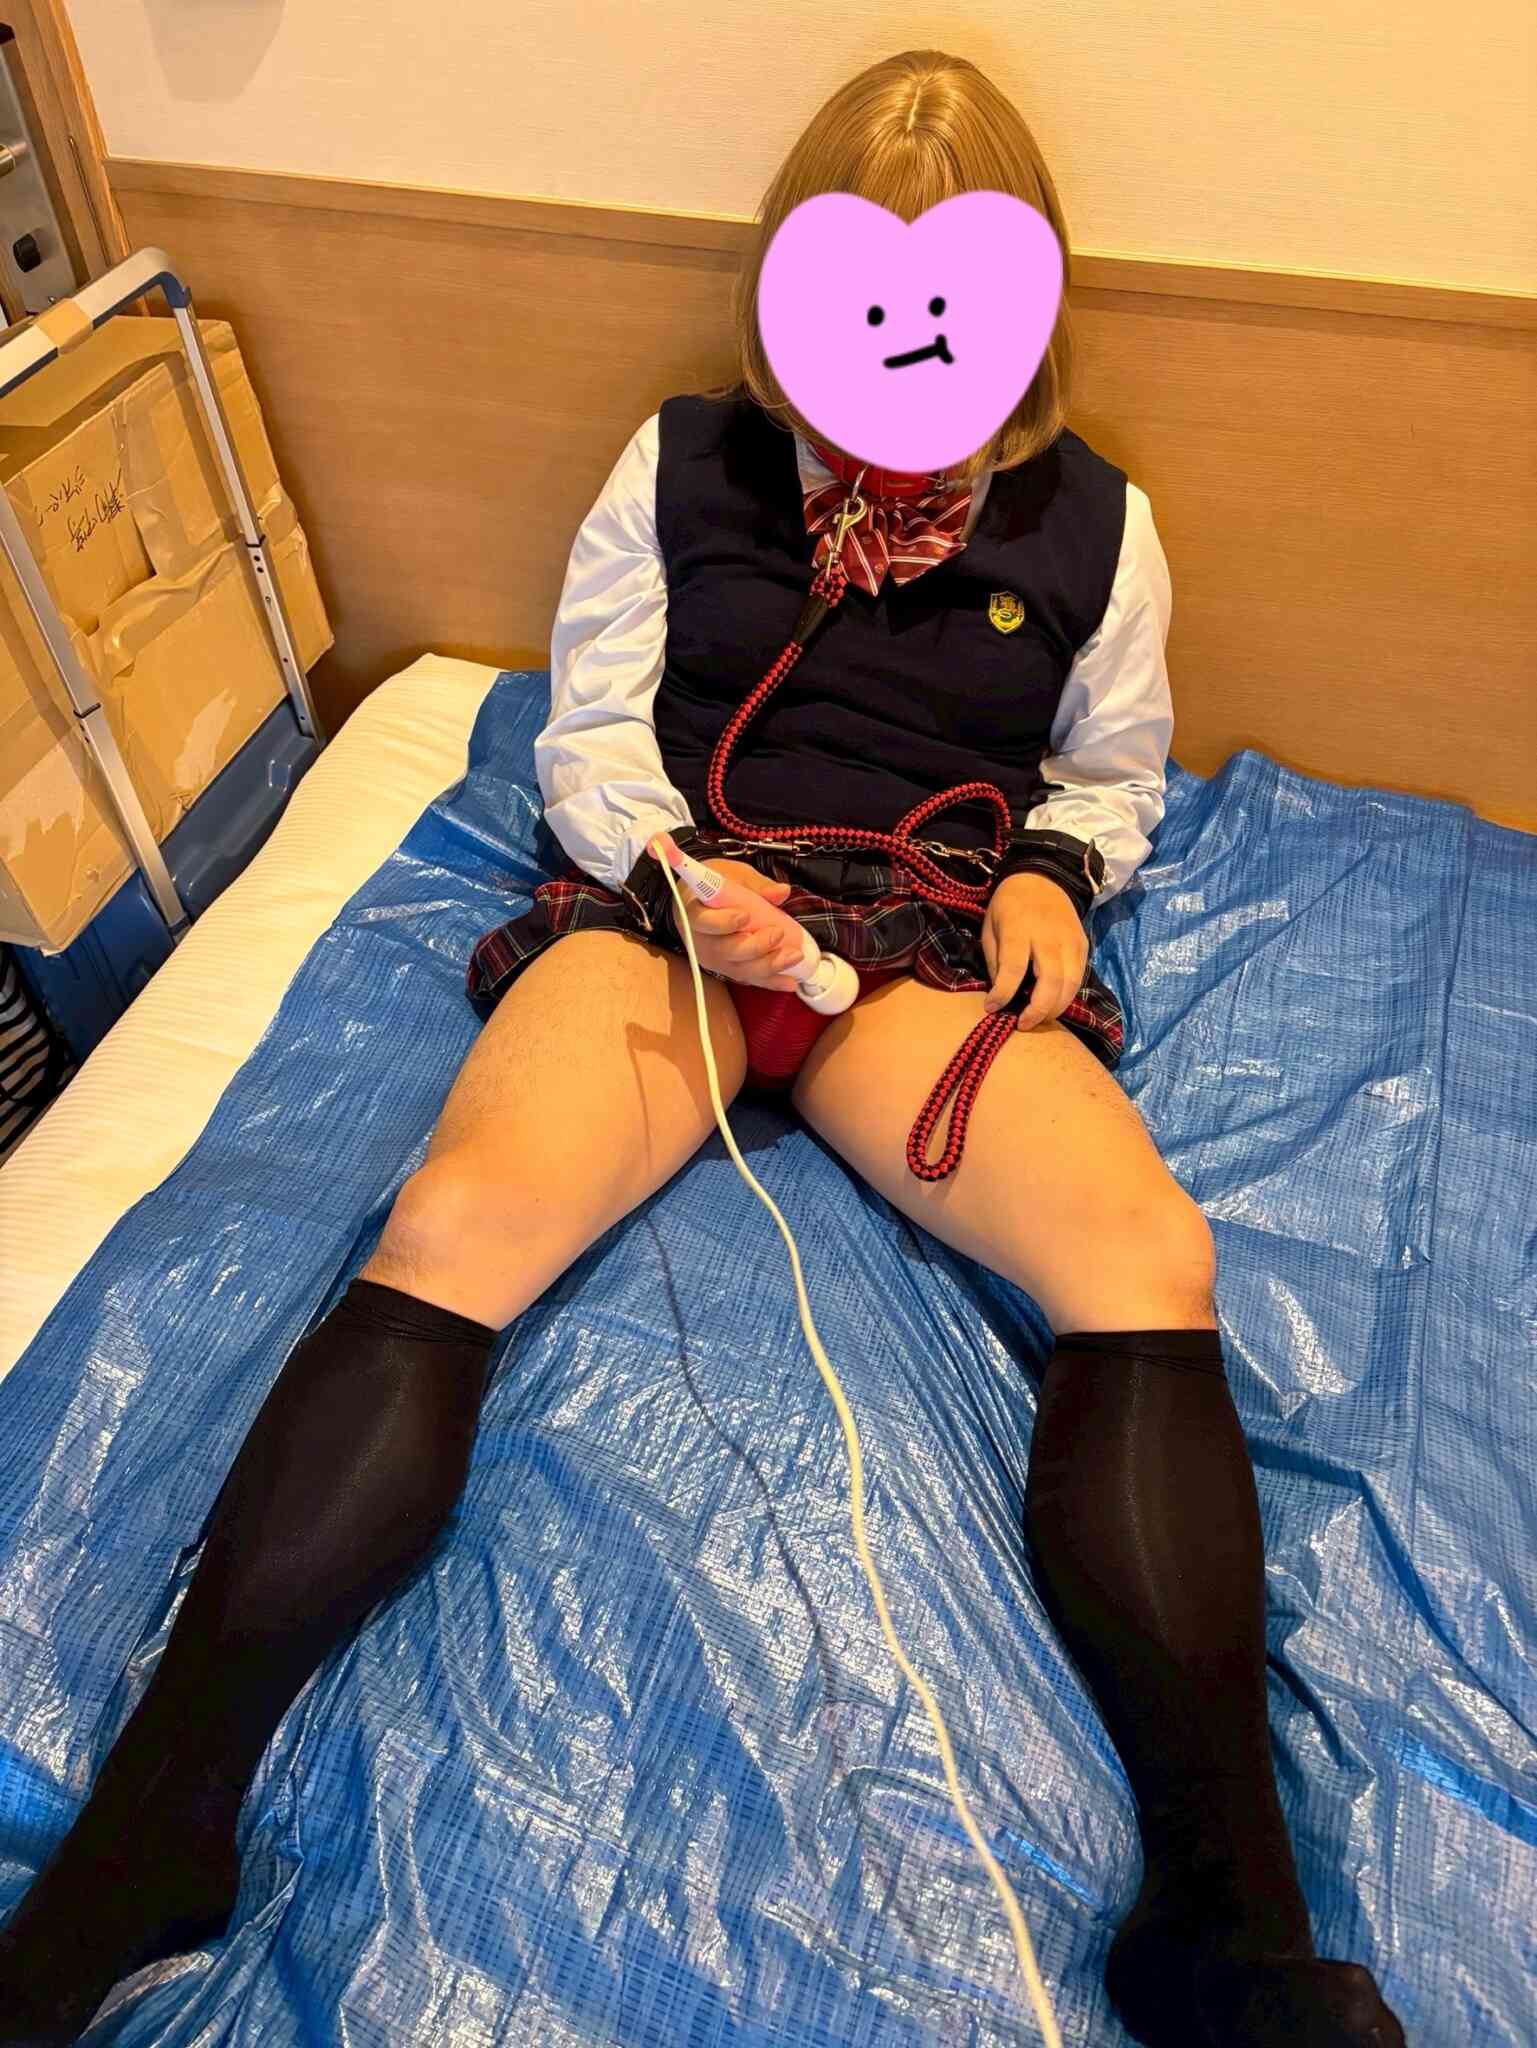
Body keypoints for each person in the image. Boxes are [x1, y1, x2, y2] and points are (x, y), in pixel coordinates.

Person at [0, 49, 1405, 2048]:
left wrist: (1057, 879)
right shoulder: (676, 469)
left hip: (916, 926)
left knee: (1144, 1257)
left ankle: (1229, 1925)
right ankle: (157, 1834)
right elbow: (587, 730)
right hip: (683, 893)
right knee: (452, 1225)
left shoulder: (1102, 525)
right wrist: (677, 880)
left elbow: (1109, 772)